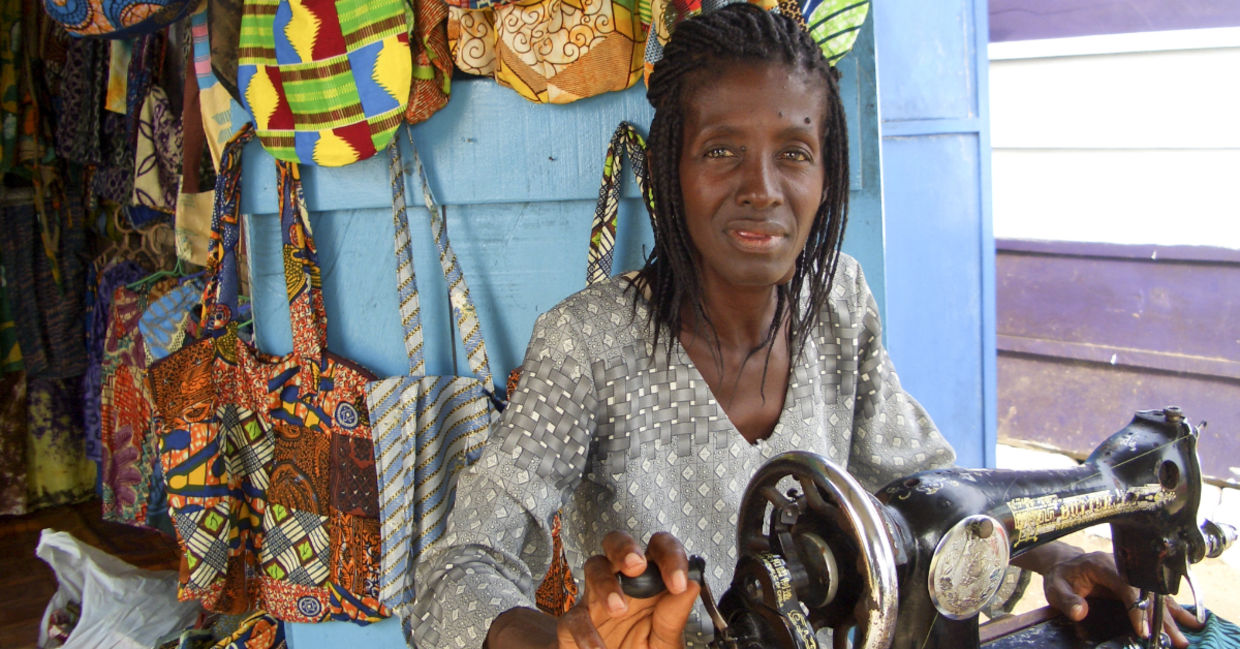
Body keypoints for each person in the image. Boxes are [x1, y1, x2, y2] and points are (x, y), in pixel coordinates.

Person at [411, 4, 1202, 648]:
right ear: (669, 171)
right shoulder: (589, 345)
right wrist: (556, 643)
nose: (762, 189)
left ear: (827, 174)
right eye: (721, 151)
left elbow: (924, 493)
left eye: (794, 152)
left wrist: (1055, 553)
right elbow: (454, 571)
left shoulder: (838, 304)